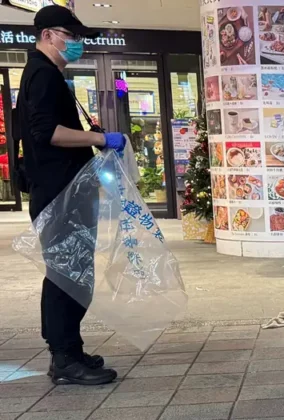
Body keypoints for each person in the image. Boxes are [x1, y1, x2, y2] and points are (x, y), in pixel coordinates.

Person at [19, 5, 126, 386]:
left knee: (74, 273)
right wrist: (100, 138)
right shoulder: (43, 75)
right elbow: (48, 132)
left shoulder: (46, 74)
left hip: (65, 191)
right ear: (47, 34)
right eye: (71, 35)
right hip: (59, 193)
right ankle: (63, 357)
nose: (76, 43)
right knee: (67, 275)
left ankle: (70, 349)